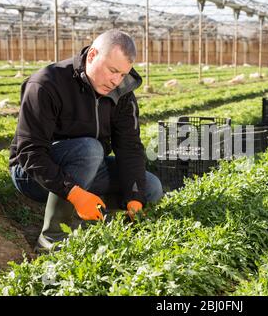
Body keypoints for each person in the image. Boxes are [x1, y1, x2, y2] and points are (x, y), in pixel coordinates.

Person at [9, 29, 163, 252]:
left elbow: (129, 146)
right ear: (92, 55)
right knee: (90, 149)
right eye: (112, 70)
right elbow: (29, 152)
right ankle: (51, 237)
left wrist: (134, 198)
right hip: (32, 175)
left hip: (88, 167)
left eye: (122, 74)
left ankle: (95, 216)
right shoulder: (47, 84)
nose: (116, 80)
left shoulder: (122, 92)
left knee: (149, 188)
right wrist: (75, 193)